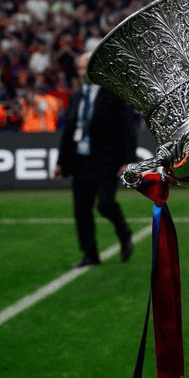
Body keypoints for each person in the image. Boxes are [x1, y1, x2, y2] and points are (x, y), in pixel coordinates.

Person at [55, 52, 138, 267]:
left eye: (87, 67)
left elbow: (127, 128)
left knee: (105, 204)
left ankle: (124, 233)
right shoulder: (76, 96)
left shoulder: (114, 93)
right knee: (81, 210)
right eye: (80, 69)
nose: (83, 72)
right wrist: (60, 162)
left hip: (107, 161)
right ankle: (90, 254)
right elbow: (68, 132)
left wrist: (128, 160)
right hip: (80, 161)